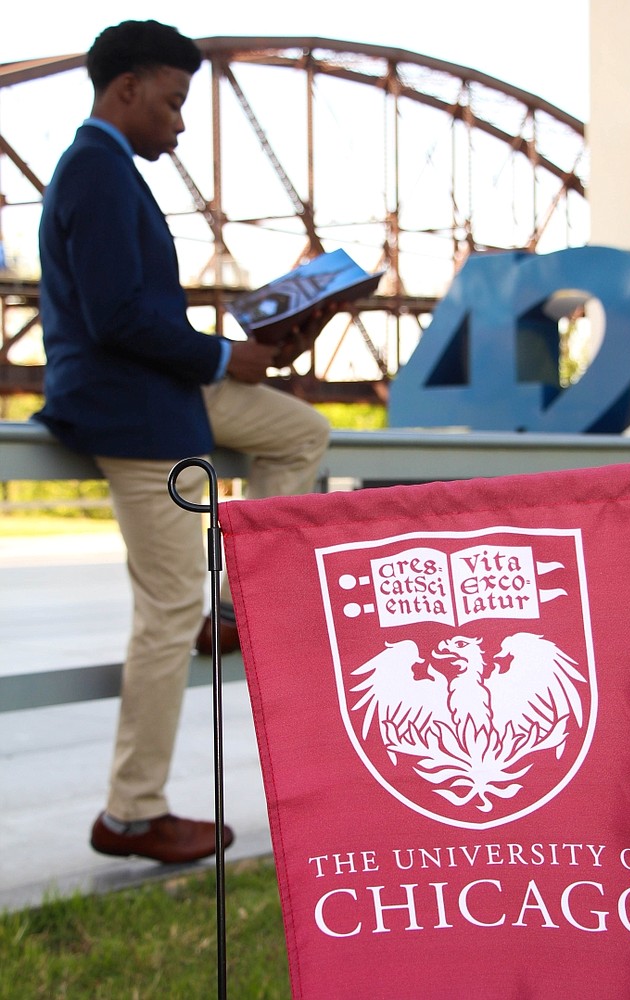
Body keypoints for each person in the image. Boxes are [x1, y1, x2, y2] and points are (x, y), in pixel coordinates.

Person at [35, 20, 330, 864]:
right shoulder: (94, 170)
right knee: (167, 613)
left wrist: (252, 351)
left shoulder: (110, 171)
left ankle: (238, 606)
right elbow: (114, 317)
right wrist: (221, 355)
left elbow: (137, 311)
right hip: (130, 411)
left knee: (298, 431)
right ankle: (131, 814)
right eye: (172, 102)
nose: (180, 121)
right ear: (125, 90)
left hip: (163, 391)